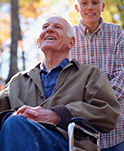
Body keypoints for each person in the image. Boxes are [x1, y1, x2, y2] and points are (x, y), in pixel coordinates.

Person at [0, 15, 120, 151]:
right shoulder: (17, 80)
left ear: (71, 42)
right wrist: (10, 117)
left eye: (57, 27)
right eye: (45, 27)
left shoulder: (90, 74)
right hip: (16, 137)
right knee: (15, 123)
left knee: (16, 124)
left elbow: (107, 113)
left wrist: (59, 115)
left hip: (67, 144)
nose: (49, 29)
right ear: (38, 42)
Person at [68, 0, 124, 151]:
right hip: (81, 127)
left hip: (117, 126)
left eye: (95, 2)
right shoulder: (68, 36)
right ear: (77, 7)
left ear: (103, 6)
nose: (90, 7)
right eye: (84, 3)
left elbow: (122, 73)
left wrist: (100, 104)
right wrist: (85, 107)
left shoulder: (116, 33)